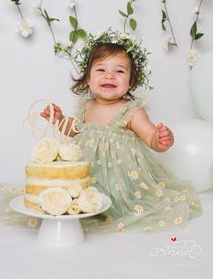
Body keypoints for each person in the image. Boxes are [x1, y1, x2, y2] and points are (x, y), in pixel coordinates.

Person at [39, 29, 202, 234]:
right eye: (101, 70)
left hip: (120, 180)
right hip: (88, 174)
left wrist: (159, 139)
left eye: (119, 71)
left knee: (118, 199)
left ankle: (116, 205)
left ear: (131, 81)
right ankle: (84, 204)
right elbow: (76, 130)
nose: (109, 75)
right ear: (88, 78)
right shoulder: (86, 107)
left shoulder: (131, 112)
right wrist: (60, 120)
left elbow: (150, 137)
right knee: (77, 196)